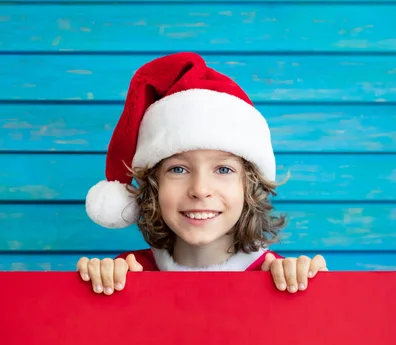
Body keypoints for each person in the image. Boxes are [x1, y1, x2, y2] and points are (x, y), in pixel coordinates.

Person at [77, 52, 327, 295]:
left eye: (223, 169)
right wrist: (95, 286)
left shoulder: (281, 276)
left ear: (249, 186)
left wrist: (315, 292)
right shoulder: (127, 274)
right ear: (154, 186)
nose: (200, 189)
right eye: (178, 169)